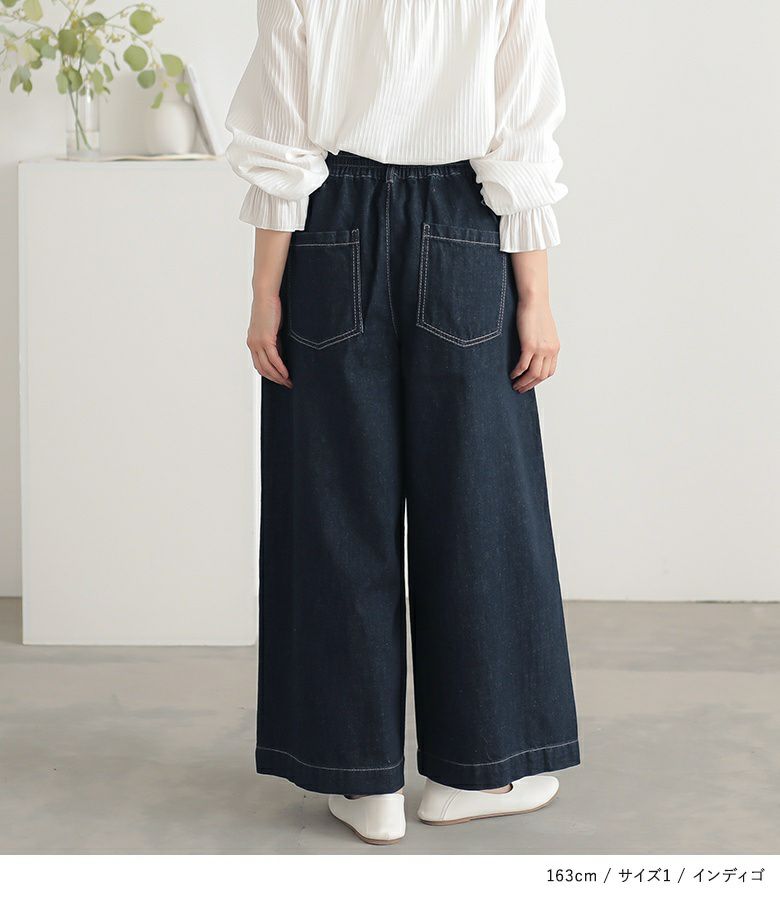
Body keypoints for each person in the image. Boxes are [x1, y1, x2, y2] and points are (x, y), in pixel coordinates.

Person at [225, 0, 579, 846]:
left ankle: (361, 780)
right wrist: (535, 297)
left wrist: (265, 290)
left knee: (333, 506)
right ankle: (481, 772)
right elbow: (521, 140)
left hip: (329, 231)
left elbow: (283, 142)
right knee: (480, 507)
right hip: (465, 229)